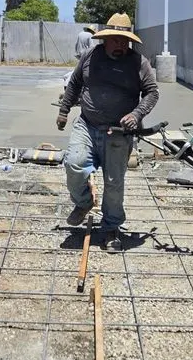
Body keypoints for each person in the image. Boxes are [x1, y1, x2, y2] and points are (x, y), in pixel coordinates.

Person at [56, 13, 159, 252]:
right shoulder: (90, 56)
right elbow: (74, 84)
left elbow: (152, 92)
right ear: (105, 39)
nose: (121, 45)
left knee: (114, 183)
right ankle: (83, 203)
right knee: (73, 163)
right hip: (87, 124)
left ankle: (111, 227)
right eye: (116, 40)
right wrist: (63, 111)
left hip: (118, 132)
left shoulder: (138, 62)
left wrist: (136, 115)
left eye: (125, 41)